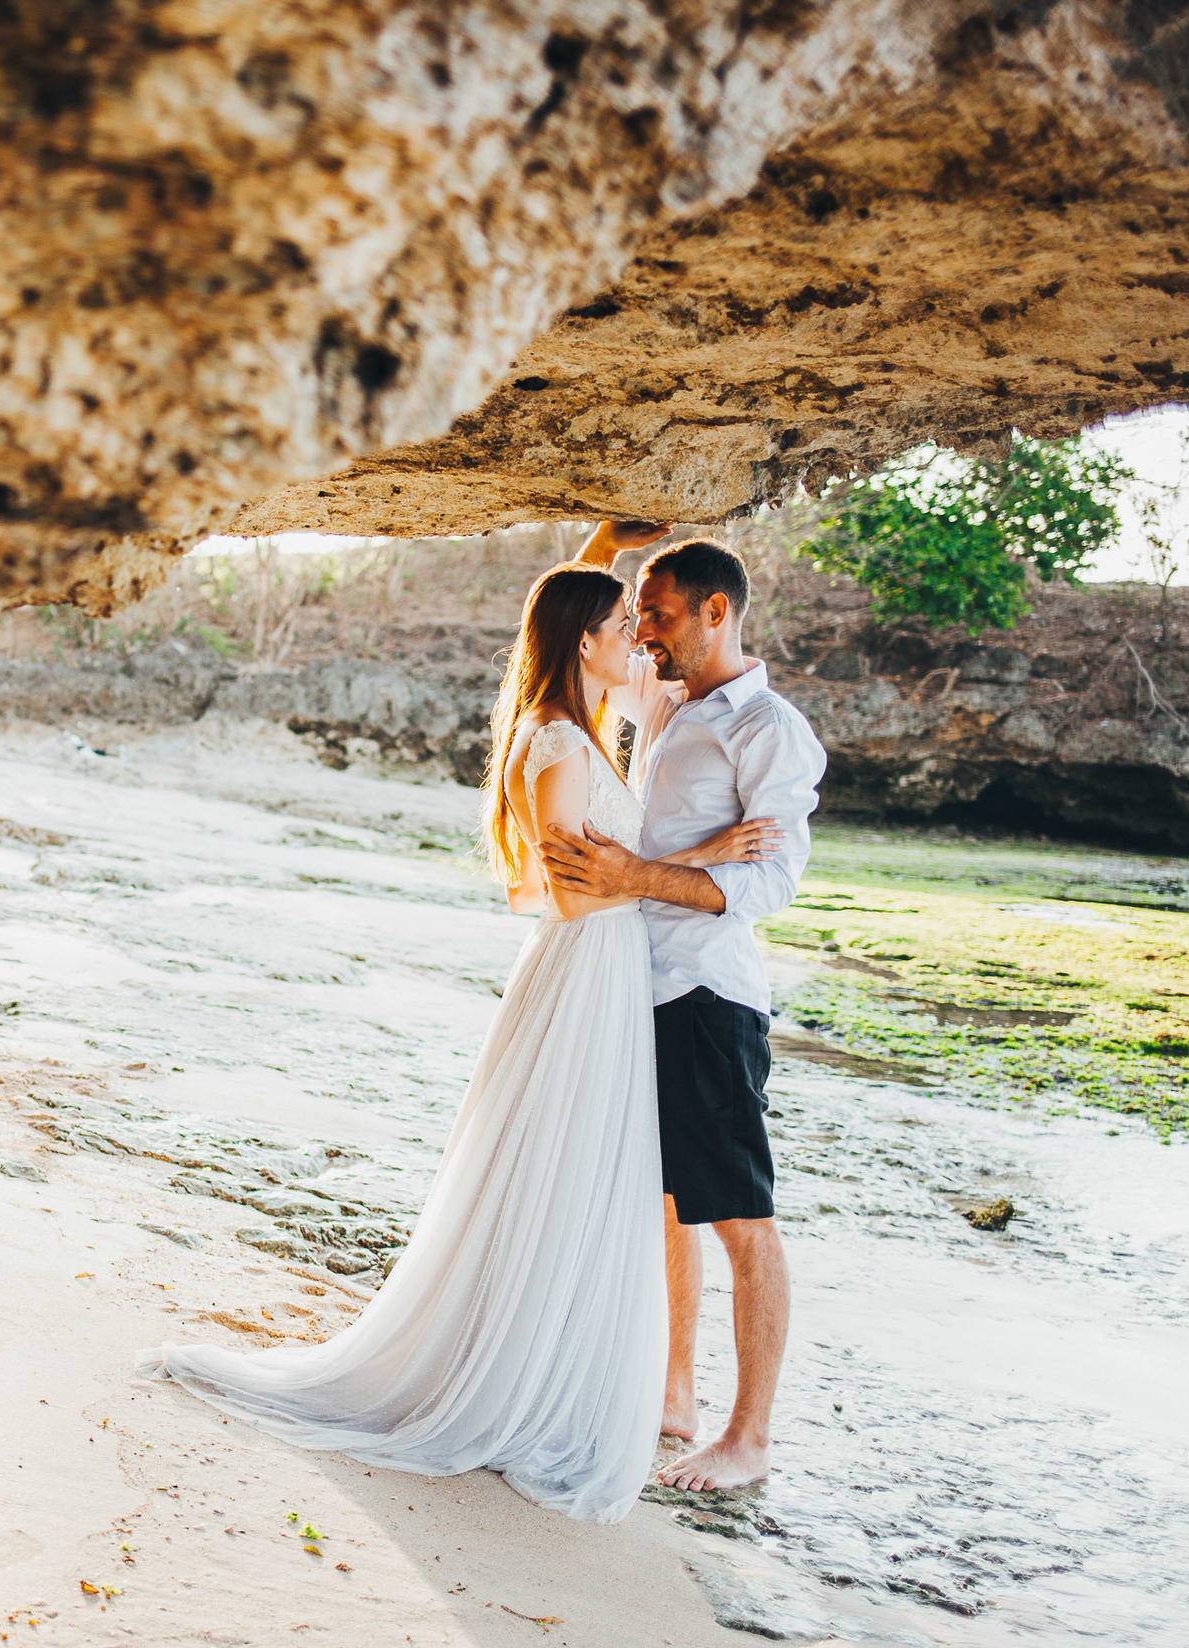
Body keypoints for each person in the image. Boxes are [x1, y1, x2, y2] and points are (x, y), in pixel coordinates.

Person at [135, 541, 776, 1523]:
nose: (635, 644)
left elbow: (556, 872)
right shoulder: (556, 743)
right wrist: (703, 853)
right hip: (585, 974)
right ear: (580, 643)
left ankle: (567, 1364)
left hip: (608, 975)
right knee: (563, 1174)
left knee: (591, 1180)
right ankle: (513, 1378)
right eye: (617, 629)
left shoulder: (579, 729)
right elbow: (562, 893)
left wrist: (602, 554)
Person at [541, 525, 828, 1493]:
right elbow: (577, 637)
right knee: (669, 1209)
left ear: (718, 612)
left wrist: (638, 875)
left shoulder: (769, 730)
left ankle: (748, 1440)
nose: (648, 633)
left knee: (739, 1216)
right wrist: (607, 549)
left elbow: (774, 880)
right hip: (640, 987)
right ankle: (673, 1394)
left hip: (710, 994)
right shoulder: (661, 700)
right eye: (645, 620)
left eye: (663, 615)